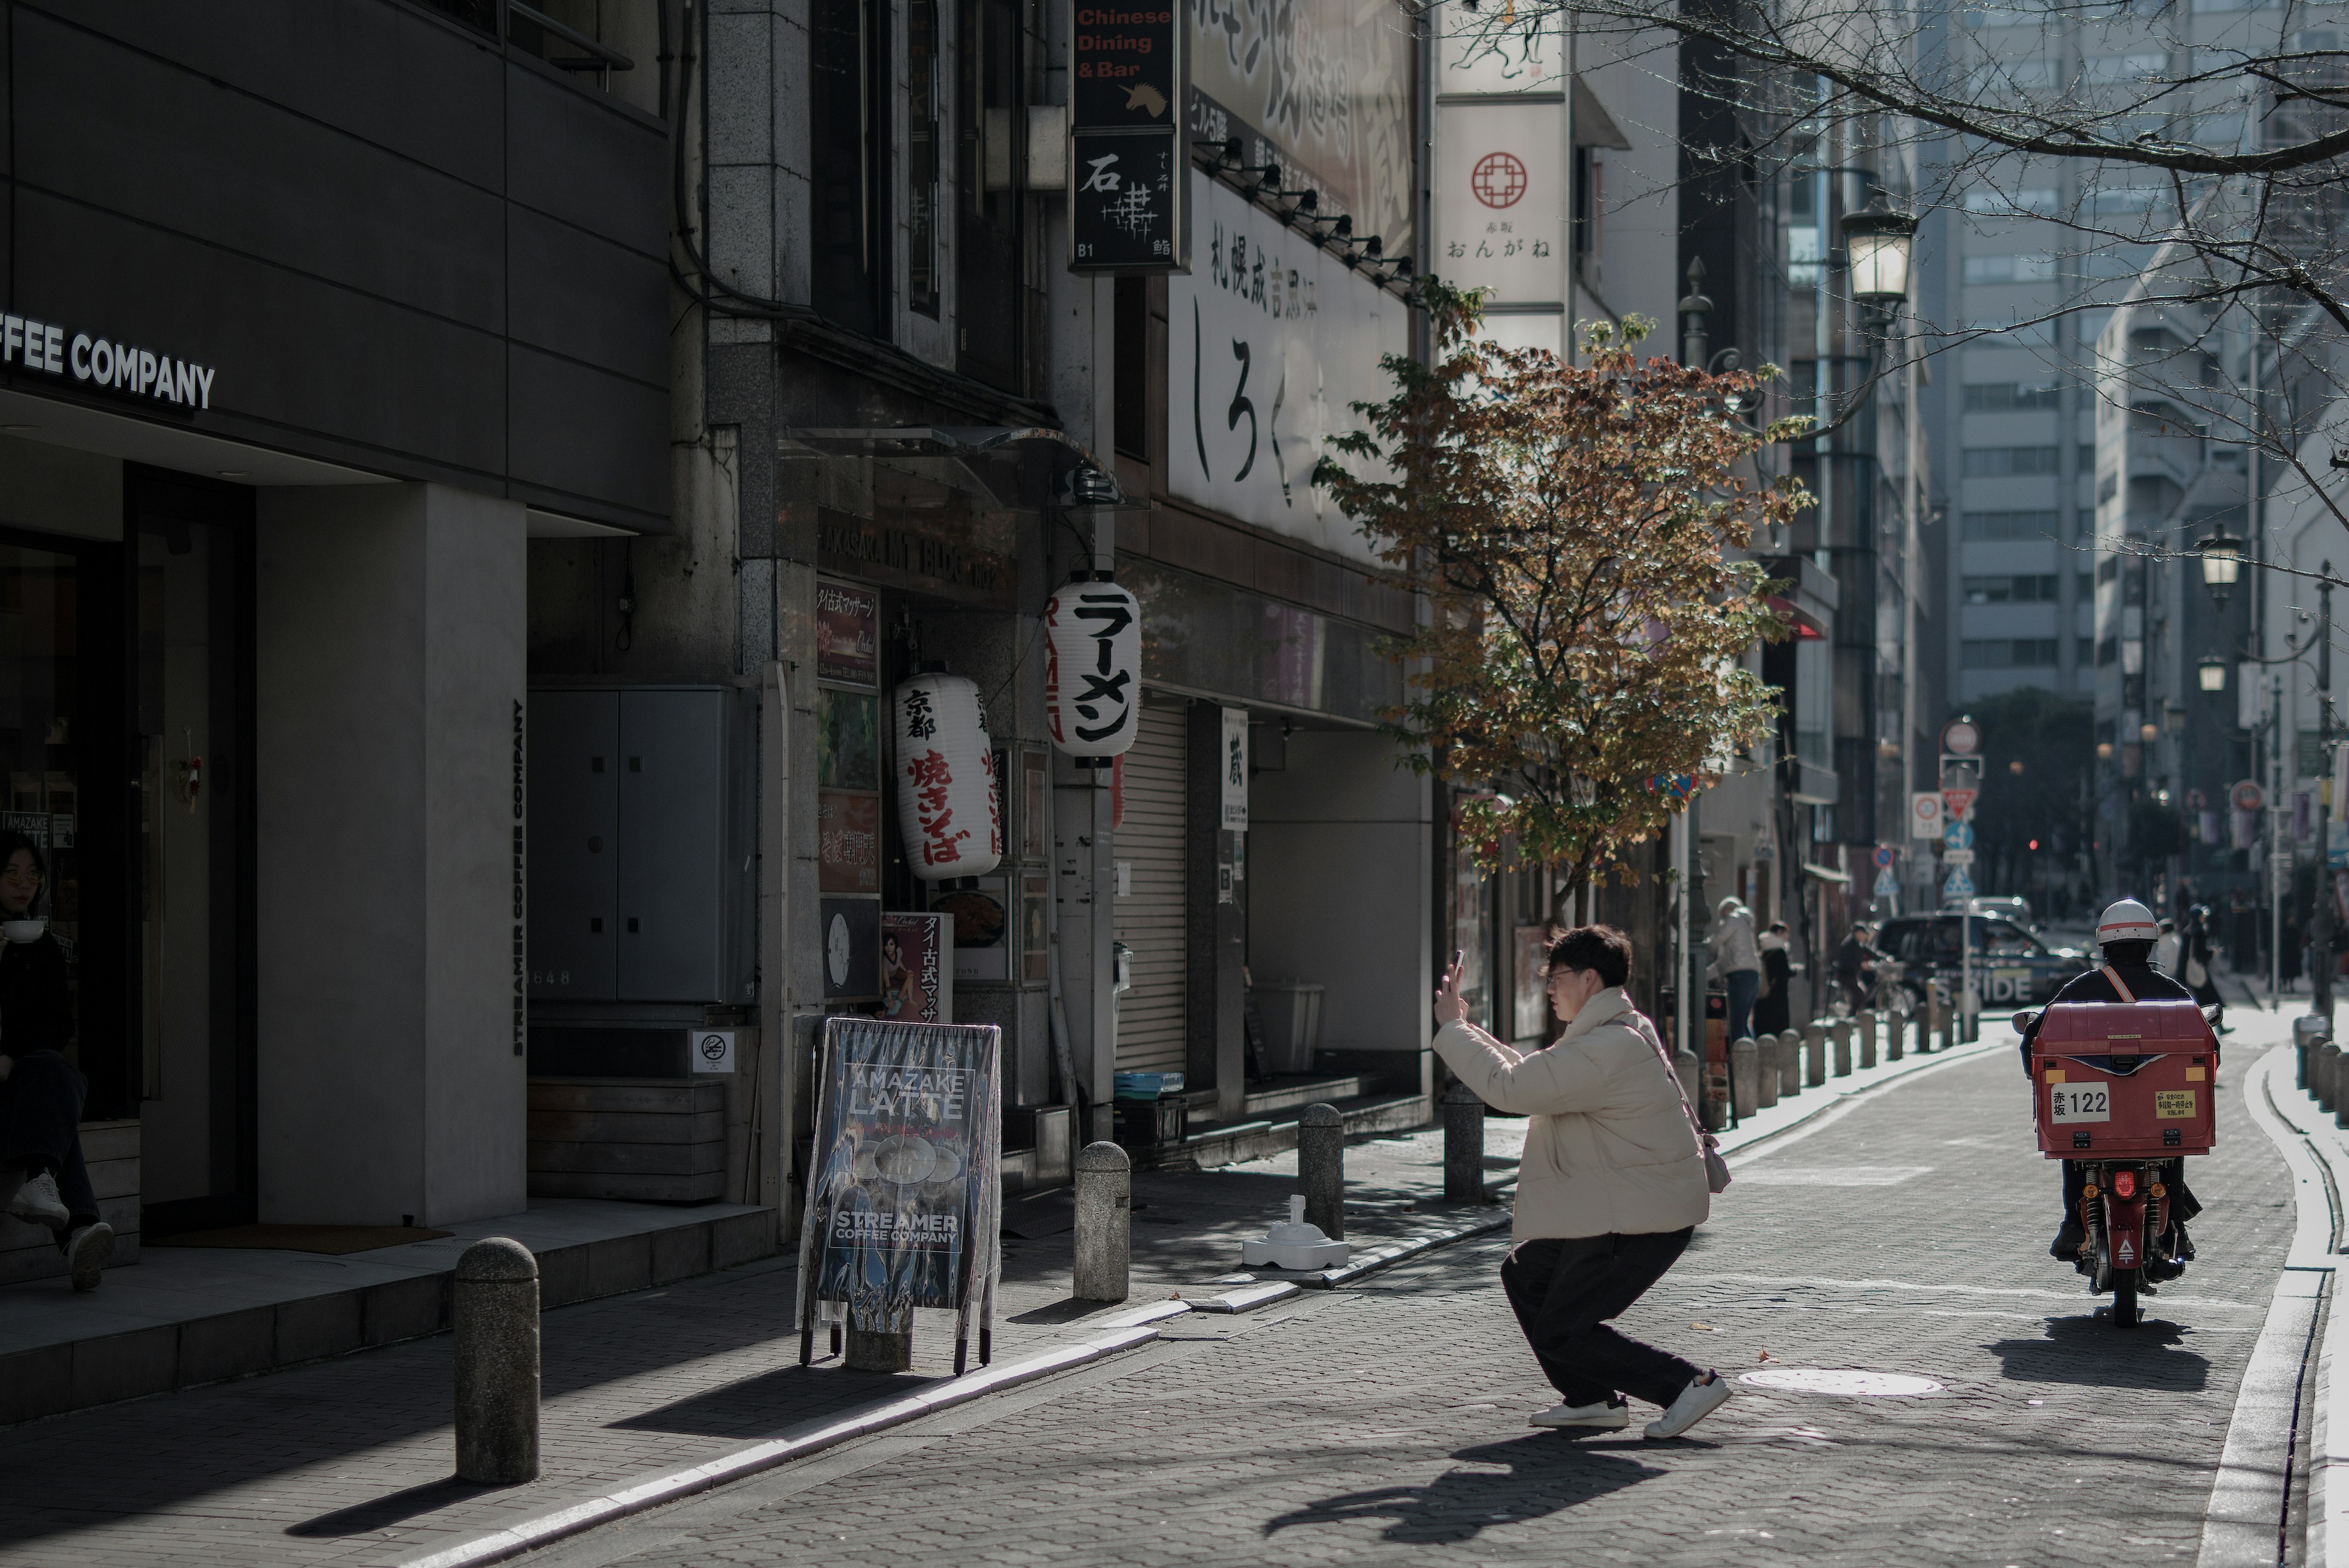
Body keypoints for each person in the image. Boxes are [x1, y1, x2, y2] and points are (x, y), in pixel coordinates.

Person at [1432, 924, 1731, 1441]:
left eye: (1557, 976)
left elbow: (1513, 1086)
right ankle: (1591, 1398)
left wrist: (1452, 1030)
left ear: (1589, 979)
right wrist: (1465, 1028)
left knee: (1563, 1328)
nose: (1548, 986)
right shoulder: (1613, 1030)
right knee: (1527, 1276)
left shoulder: (1608, 1045)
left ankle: (1688, 1383)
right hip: (1624, 1208)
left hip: (1640, 1219)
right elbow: (1534, 1071)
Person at [2020, 897, 2202, 1263]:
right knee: (2172, 1144)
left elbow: (2034, 1039)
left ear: (2104, 946)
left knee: (2075, 1149)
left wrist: (2034, 1072)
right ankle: (2178, 1231)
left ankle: (2074, 1221)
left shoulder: (2078, 991)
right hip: (2154, 1122)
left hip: (2092, 1121)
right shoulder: (2174, 996)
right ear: (2151, 944)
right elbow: (2209, 1048)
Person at [0, 831, 110, 1290]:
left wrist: (11, 1053)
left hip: (24, 1075)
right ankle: (78, 1228)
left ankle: (44, 1181)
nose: (24, 884)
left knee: (55, 1073)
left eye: (32, 874)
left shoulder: (43, 946)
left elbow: (59, 1022)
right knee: (61, 1090)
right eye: (11, 873)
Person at [1708, 896, 1762, 1045]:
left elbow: (1716, 941)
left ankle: (1739, 1063)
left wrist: (1704, 949)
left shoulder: (1734, 919)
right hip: (1752, 976)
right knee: (1743, 1022)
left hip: (1740, 977)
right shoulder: (1744, 925)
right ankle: (1750, 1059)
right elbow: (1724, 961)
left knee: (1736, 1024)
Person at [2181, 905, 2226, 1033]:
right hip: (2198, 970)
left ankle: (2215, 1027)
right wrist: (2211, 953)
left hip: (2190, 971)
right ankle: (2215, 1027)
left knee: (2200, 1000)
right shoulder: (2199, 932)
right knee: (2208, 1000)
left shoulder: (2188, 932)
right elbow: (2200, 953)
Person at [1754, 920, 1794, 1037]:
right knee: (1777, 1023)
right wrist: (1793, 971)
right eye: (1786, 933)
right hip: (1777, 994)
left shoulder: (1764, 949)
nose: (1787, 937)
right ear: (1780, 932)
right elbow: (1783, 972)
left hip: (1764, 991)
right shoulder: (1779, 951)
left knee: (1764, 1021)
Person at [1833, 922, 1882, 1014]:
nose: (1865, 936)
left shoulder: (1858, 944)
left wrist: (1883, 958)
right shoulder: (1849, 945)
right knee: (1859, 995)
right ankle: (1852, 1016)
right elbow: (1847, 962)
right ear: (1858, 933)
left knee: (1861, 993)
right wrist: (1861, 965)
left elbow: (1870, 953)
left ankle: (1857, 1014)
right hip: (1845, 975)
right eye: (1864, 934)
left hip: (1852, 975)